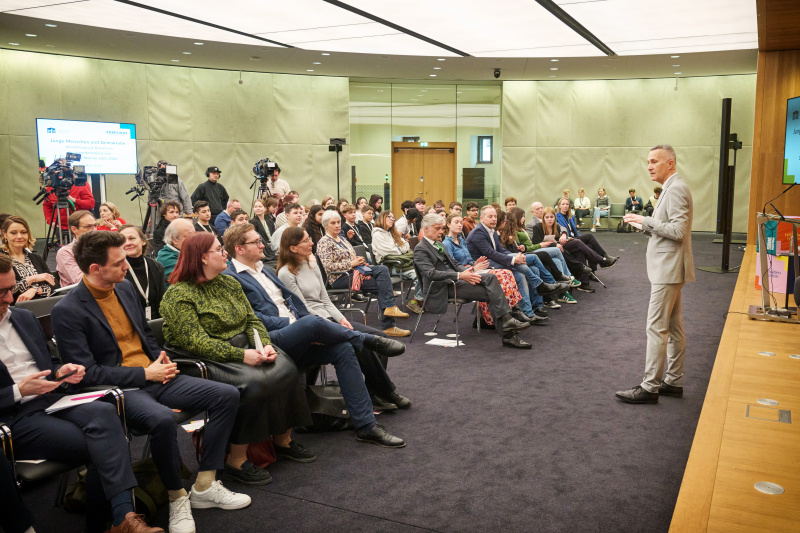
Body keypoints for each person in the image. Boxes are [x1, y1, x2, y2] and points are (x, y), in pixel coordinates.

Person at [52, 231, 250, 533]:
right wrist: (145, 374)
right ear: (95, 269)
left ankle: (205, 484)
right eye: (119, 262)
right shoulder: (67, 311)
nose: (127, 265)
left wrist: (160, 359)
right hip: (120, 390)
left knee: (227, 395)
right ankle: (177, 497)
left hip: (154, 375)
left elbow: (143, 334)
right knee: (161, 419)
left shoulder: (124, 288)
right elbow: (87, 373)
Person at [0, 253, 161, 533]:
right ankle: (113, 522)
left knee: (106, 412)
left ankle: (121, 518)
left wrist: (61, 372)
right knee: (106, 445)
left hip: (50, 399)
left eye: (11, 289)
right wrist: (17, 390)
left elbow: (49, 363)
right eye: (1, 292)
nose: (10, 298)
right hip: (15, 416)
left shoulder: (23, 318)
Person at [223, 225, 407, 446]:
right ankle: (366, 340)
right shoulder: (231, 279)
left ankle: (366, 426)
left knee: (343, 349)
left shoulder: (266, 270)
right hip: (271, 338)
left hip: (299, 330)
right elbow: (253, 319)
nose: (263, 245)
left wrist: (307, 326)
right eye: (256, 242)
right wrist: (298, 324)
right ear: (239, 248)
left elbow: (295, 304)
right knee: (313, 322)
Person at [160, 232, 320, 478]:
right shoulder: (178, 294)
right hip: (202, 359)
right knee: (253, 384)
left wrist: (264, 344)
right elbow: (196, 342)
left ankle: (283, 440)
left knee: (287, 369)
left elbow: (251, 320)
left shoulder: (229, 283)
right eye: (219, 250)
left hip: (243, 347)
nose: (225, 253)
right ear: (202, 257)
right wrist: (241, 355)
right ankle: (237, 459)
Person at [274, 226, 411, 410]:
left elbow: (325, 299)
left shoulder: (311, 265)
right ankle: (385, 392)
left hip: (330, 318)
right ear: (293, 247)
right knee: (363, 344)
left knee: (381, 337)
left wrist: (341, 320)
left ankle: (375, 393)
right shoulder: (286, 273)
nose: (311, 242)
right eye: (306, 240)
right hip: (315, 324)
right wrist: (331, 323)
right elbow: (302, 309)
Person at [616, 145, 695, 404]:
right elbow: (669, 228)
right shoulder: (671, 187)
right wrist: (644, 225)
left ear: (670, 163)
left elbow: (678, 231)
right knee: (673, 326)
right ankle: (673, 381)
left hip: (668, 269)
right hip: (670, 268)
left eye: (654, 161)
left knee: (656, 328)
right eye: (648, 161)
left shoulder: (676, 188)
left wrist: (645, 221)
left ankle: (650, 387)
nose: (649, 166)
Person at [415, 214, 531, 348]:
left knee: (492, 278)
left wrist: (470, 271)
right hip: (443, 287)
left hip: (455, 281)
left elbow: (454, 263)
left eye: (441, 228)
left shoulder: (438, 244)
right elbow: (431, 274)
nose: (441, 231)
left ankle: (507, 324)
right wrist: (460, 275)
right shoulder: (420, 249)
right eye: (437, 228)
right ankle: (509, 331)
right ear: (426, 228)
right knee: (491, 293)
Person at [316, 210, 410, 337]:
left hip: (355, 271)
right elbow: (329, 267)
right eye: (333, 223)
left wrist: (359, 261)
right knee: (381, 286)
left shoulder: (342, 239)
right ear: (325, 225)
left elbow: (351, 257)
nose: (337, 225)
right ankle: (389, 322)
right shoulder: (324, 242)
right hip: (340, 277)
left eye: (338, 222)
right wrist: (351, 264)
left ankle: (390, 311)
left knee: (382, 269)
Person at [465, 206, 563, 323]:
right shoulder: (478, 233)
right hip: (483, 266)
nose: (494, 219)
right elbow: (491, 254)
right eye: (490, 216)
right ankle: (543, 285)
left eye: (495, 216)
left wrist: (516, 256)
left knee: (525, 271)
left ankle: (529, 313)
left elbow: (501, 250)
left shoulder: (491, 231)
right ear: (482, 219)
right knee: (529, 260)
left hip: (494, 262)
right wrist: (513, 259)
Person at [443, 214, 524, 325]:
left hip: (472, 268)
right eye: (456, 222)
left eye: (461, 222)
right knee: (499, 277)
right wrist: (473, 268)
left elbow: (469, 260)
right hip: (465, 274)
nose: (460, 225)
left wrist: (476, 263)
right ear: (448, 224)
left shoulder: (461, 240)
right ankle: (491, 318)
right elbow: (453, 266)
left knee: (507, 273)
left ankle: (512, 311)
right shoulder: (447, 244)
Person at [503, 207, 579, 304]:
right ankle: (562, 279)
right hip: (527, 253)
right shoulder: (522, 229)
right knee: (554, 251)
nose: (524, 218)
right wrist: (540, 245)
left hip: (528, 251)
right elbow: (525, 247)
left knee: (556, 260)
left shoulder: (521, 229)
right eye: (522, 217)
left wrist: (523, 247)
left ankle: (559, 293)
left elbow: (523, 246)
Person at [532, 207, 601, 293]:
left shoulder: (556, 226)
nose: (549, 219)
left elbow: (559, 239)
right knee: (571, 246)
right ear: (543, 218)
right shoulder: (537, 227)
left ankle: (583, 282)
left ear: (554, 217)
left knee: (578, 251)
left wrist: (564, 239)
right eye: (547, 217)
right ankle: (591, 263)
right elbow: (536, 243)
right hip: (543, 251)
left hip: (556, 248)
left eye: (551, 217)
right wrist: (554, 244)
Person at [371, 211, 422, 313]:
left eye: (393, 218)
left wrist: (399, 249)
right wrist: (400, 249)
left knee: (424, 272)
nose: (392, 220)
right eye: (389, 217)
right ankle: (417, 301)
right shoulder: (377, 235)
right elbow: (389, 252)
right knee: (421, 275)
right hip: (390, 266)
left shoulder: (391, 232)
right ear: (382, 218)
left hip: (400, 263)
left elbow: (406, 246)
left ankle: (417, 300)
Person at [0, 216, 57, 303]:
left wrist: (35, 290)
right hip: (15, 308)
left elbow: (55, 285)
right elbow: (4, 292)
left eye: (23, 232)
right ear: (5, 235)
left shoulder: (36, 258)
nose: (19, 236)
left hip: (43, 304)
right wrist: (31, 279)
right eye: (13, 233)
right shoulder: (2, 260)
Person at [120, 225, 166, 320]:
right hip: (131, 323)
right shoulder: (117, 269)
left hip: (156, 322)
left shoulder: (156, 266)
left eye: (132, 238)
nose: (127, 243)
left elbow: (163, 301)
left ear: (143, 241)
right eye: (122, 240)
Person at [556, 198, 619, 268]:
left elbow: (574, 232)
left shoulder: (571, 217)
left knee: (590, 245)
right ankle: (604, 259)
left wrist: (581, 238)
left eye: (567, 204)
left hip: (574, 238)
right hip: (566, 240)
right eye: (563, 204)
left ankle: (592, 270)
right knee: (589, 236)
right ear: (559, 206)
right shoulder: (556, 217)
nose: (565, 206)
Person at [57, 210, 97, 286]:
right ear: (74, 229)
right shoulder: (65, 252)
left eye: (95, 225)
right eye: (88, 226)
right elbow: (80, 280)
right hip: (80, 291)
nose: (94, 230)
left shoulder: (103, 247)